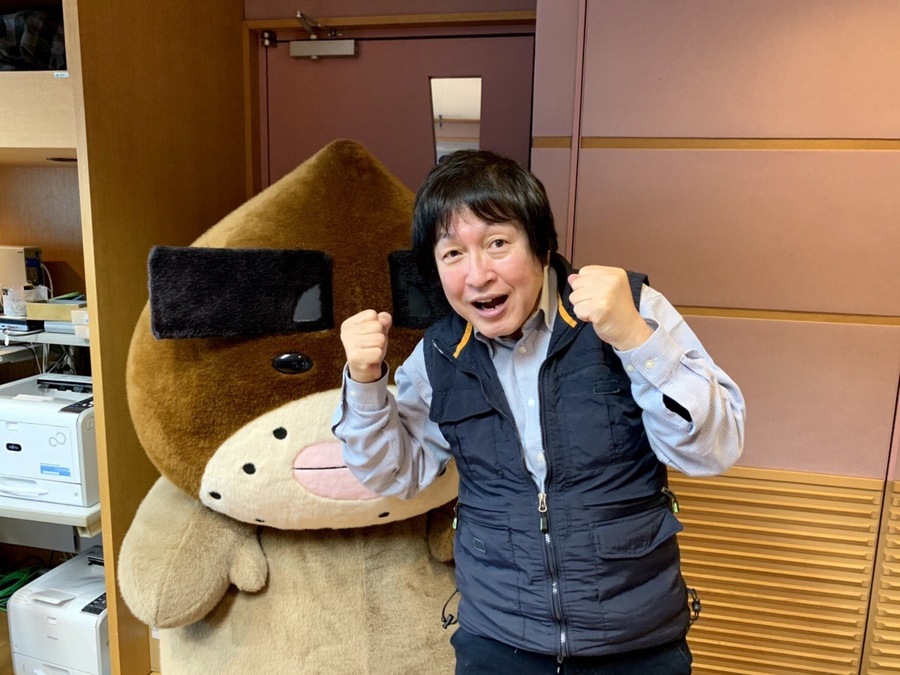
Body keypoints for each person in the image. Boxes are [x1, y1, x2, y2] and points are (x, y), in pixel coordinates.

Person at [333, 150, 745, 674]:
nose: (477, 275)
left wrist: (635, 338)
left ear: (543, 248)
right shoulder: (440, 353)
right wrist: (365, 382)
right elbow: (394, 474)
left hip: (635, 642)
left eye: (497, 243)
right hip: (497, 641)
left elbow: (715, 448)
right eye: (453, 253)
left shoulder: (630, 309)